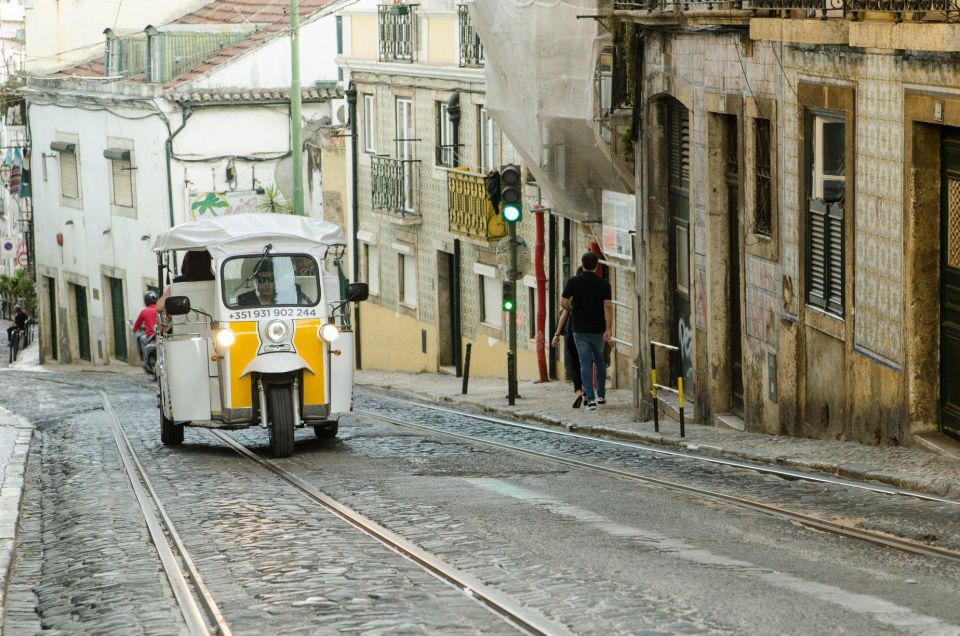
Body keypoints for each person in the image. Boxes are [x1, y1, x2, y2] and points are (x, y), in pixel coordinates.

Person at [561, 252, 612, 411]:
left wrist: (573, 309)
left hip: (580, 329)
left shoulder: (573, 282)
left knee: (585, 363)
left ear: (582, 265)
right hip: (598, 329)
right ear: (596, 265)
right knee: (600, 361)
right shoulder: (604, 284)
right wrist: (609, 328)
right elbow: (608, 306)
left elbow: (563, 302)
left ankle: (590, 400)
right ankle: (601, 395)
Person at [132, 291, 158, 361]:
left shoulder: (144, 311)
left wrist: (134, 330)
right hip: (159, 335)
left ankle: (146, 360)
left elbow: (137, 324)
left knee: (142, 339)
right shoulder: (159, 309)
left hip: (150, 336)